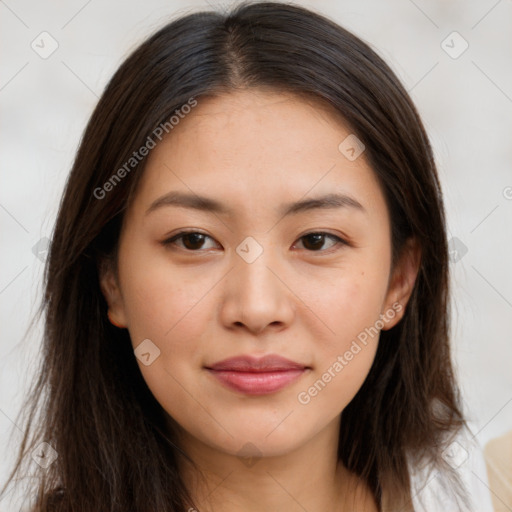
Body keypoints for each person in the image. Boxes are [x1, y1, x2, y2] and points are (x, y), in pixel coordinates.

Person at [0, 2, 493, 510]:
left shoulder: (490, 489)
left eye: (317, 240)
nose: (256, 309)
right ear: (111, 280)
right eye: (193, 240)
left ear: (400, 281)